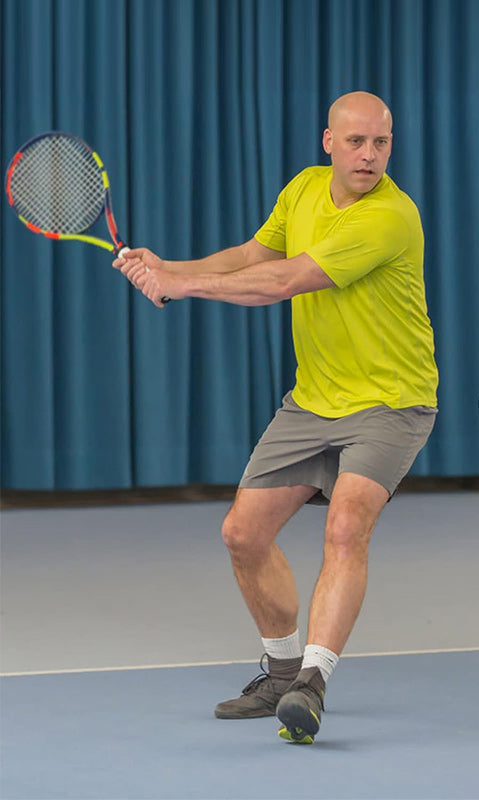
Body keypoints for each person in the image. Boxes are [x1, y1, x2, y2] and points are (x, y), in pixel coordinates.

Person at [113, 91, 438, 744]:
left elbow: (285, 281)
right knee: (243, 534)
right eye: (355, 142)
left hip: (391, 401)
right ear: (329, 142)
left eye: (380, 142)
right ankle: (281, 671)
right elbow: (254, 257)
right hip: (313, 400)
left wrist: (182, 286)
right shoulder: (304, 190)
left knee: (345, 527)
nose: (369, 155)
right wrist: (168, 267)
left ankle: (310, 685)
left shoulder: (390, 216)